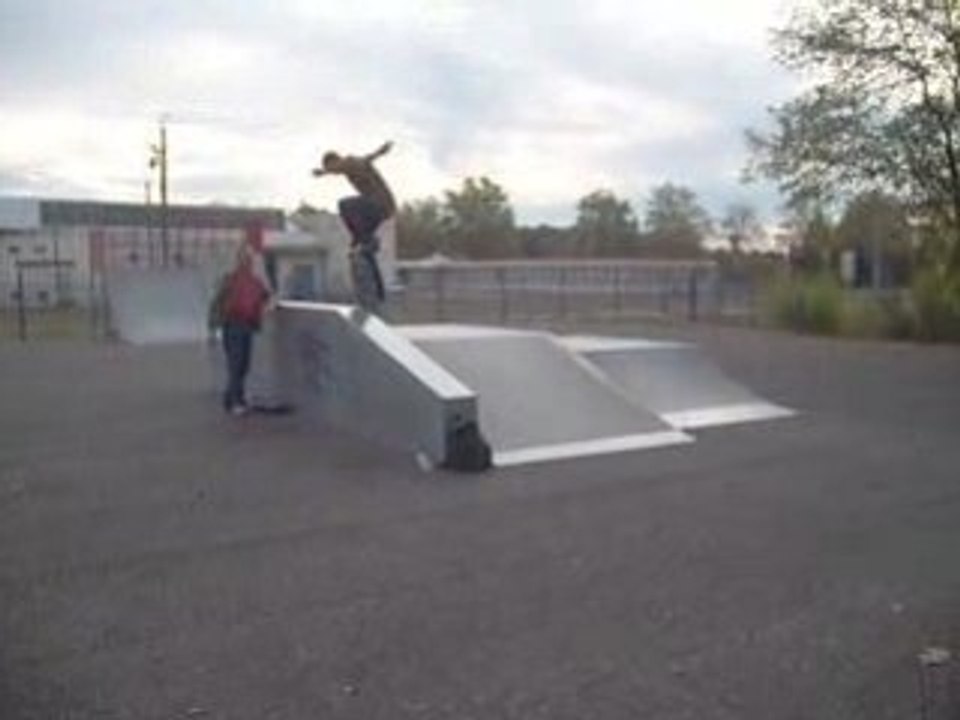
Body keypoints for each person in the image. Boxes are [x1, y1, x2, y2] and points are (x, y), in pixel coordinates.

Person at [311, 141, 396, 310]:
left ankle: (363, 240)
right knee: (363, 250)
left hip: (379, 204)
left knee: (345, 205)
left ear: (334, 161)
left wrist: (323, 172)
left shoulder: (349, 162)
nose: (335, 173)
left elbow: (356, 162)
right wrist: (380, 152)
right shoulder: (350, 165)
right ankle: (379, 292)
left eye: (333, 167)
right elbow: (360, 162)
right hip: (382, 208)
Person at [209, 246, 271, 415]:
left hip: (247, 325)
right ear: (239, 261)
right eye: (244, 259)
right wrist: (213, 327)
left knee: (242, 364)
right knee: (236, 364)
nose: (247, 262)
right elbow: (217, 302)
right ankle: (235, 400)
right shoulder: (231, 280)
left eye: (248, 259)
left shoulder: (253, 281)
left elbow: (265, 296)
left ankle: (233, 398)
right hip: (233, 324)